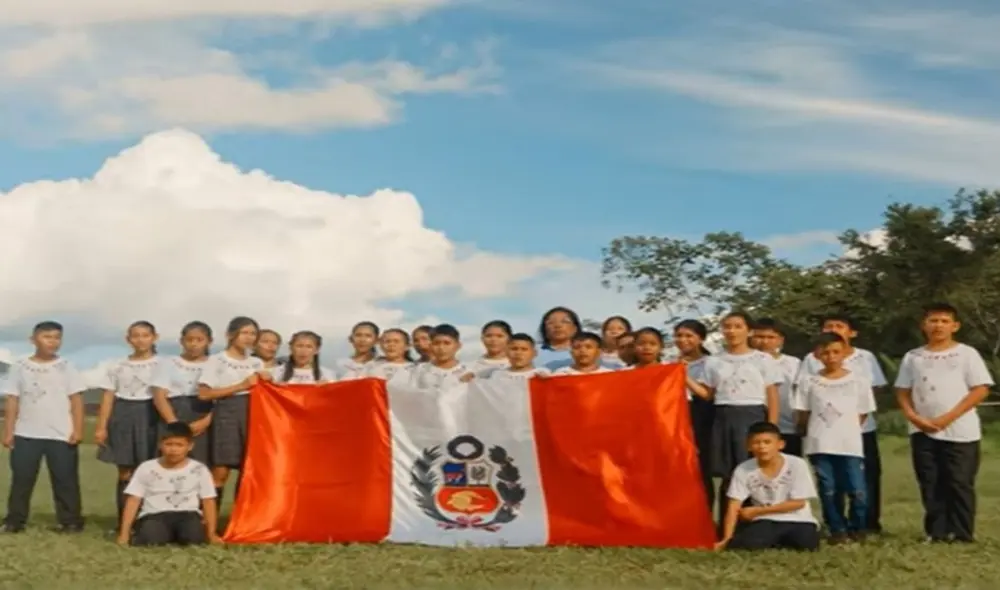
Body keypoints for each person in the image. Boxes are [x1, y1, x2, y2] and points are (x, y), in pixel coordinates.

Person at [894, 303, 994, 544]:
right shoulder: (913, 357)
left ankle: (962, 533)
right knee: (930, 481)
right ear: (924, 325)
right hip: (922, 429)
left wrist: (948, 418)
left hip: (960, 431)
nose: (938, 326)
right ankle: (936, 532)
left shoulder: (967, 354)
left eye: (944, 321)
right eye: (933, 321)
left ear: (955, 326)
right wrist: (913, 416)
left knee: (959, 482)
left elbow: (980, 389)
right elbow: (903, 390)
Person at [795, 313, 887, 533]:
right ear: (817, 355)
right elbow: (804, 412)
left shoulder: (858, 380)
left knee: (857, 488)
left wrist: (845, 428)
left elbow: (863, 412)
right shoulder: (809, 381)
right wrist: (809, 431)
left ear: (845, 353)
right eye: (825, 352)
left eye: (836, 352)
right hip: (820, 443)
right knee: (828, 488)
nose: (831, 356)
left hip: (850, 443)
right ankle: (836, 528)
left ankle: (859, 528)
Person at [688, 311, 782, 523]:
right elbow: (707, 393)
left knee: (751, 469)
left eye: (737, 326)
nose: (731, 331)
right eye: (727, 326)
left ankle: (754, 520)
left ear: (749, 331)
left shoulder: (762, 359)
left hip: (752, 415)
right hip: (723, 416)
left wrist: (772, 427)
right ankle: (726, 523)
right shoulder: (713, 361)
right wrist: (683, 377)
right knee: (728, 474)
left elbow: (772, 395)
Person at [1, 321, 86, 533]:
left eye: (57, 337)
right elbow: (13, 399)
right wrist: (8, 431)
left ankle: (70, 521)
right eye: (47, 337)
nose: (53, 342)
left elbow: (76, 399)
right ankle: (14, 521)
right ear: (33, 340)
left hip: (61, 433)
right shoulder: (20, 367)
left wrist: (78, 429)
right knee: (22, 479)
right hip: (26, 433)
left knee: (65, 480)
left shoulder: (67, 366)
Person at [95, 320, 163, 527]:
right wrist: (101, 426)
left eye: (145, 335)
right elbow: (108, 396)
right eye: (136, 336)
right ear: (128, 339)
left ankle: (151, 520)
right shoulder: (117, 366)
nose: (140, 340)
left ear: (154, 337)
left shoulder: (164, 364)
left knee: (152, 469)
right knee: (126, 471)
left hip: (153, 414)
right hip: (124, 415)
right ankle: (125, 521)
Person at [197, 316, 267, 514]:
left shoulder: (256, 362)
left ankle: (240, 521)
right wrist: (241, 386)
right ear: (230, 334)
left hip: (254, 415)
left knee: (248, 472)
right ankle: (208, 522)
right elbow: (204, 393)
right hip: (227, 415)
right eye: (244, 332)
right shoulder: (217, 360)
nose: (249, 337)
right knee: (221, 470)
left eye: (253, 333)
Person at [716, 422, 820, 552]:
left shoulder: (797, 464)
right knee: (743, 545)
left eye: (767, 442)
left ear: (780, 444)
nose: (762, 447)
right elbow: (733, 506)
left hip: (798, 519)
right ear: (748, 446)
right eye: (756, 443)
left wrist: (757, 511)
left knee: (807, 544)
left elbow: (798, 503)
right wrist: (727, 538)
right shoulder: (743, 469)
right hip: (766, 521)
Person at [117, 422, 221, 547]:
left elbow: (208, 501)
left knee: (194, 539)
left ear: (190, 446)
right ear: (160, 445)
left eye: (179, 445)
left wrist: (211, 534)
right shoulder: (147, 468)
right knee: (151, 540)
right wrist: (124, 534)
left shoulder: (199, 469)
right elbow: (133, 500)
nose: (173, 450)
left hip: (187, 514)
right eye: (169, 444)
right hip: (155, 514)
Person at [150, 321, 214, 466]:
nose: (194, 344)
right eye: (190, 340)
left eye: (199, 340)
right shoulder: (168, 362)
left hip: (203, 414)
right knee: (170, 461)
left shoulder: (215, 364)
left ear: (209, 342)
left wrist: (206, 421)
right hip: (173, 413)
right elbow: (159, 396)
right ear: (182, 341)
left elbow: (222, 398)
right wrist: (174, 424)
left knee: (201, 463)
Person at [673, 319, 715, 509]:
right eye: (679, 335)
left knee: (700, 467)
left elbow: (707, 394)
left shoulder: (710, 363)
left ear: (701, 338)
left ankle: (704, 512)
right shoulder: (669, 362)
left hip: (700, 416)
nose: (683, 340)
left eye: (689, 336)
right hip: (674, 416)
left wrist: (683, 375)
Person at [752, 318, 802, 456]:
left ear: (780, 340)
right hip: (756, 424)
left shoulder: (794, 363)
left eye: (771, 337)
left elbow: (800, 393)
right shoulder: (747, 362)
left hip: (788, 426)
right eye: (759, 337)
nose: (765, 341)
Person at [407, 324, 467, 389]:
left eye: (447, 343)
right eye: (436, 343)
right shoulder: (418, 371)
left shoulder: (468, 371)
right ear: (430, 345)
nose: (441, 348)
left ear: (458, 345)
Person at [536, 306, 583, 372]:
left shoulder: (586, 351)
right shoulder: (533, 351)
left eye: (565, 321)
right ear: (544, 329)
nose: (558, 326)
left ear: (575, 328)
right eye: (551, 322)